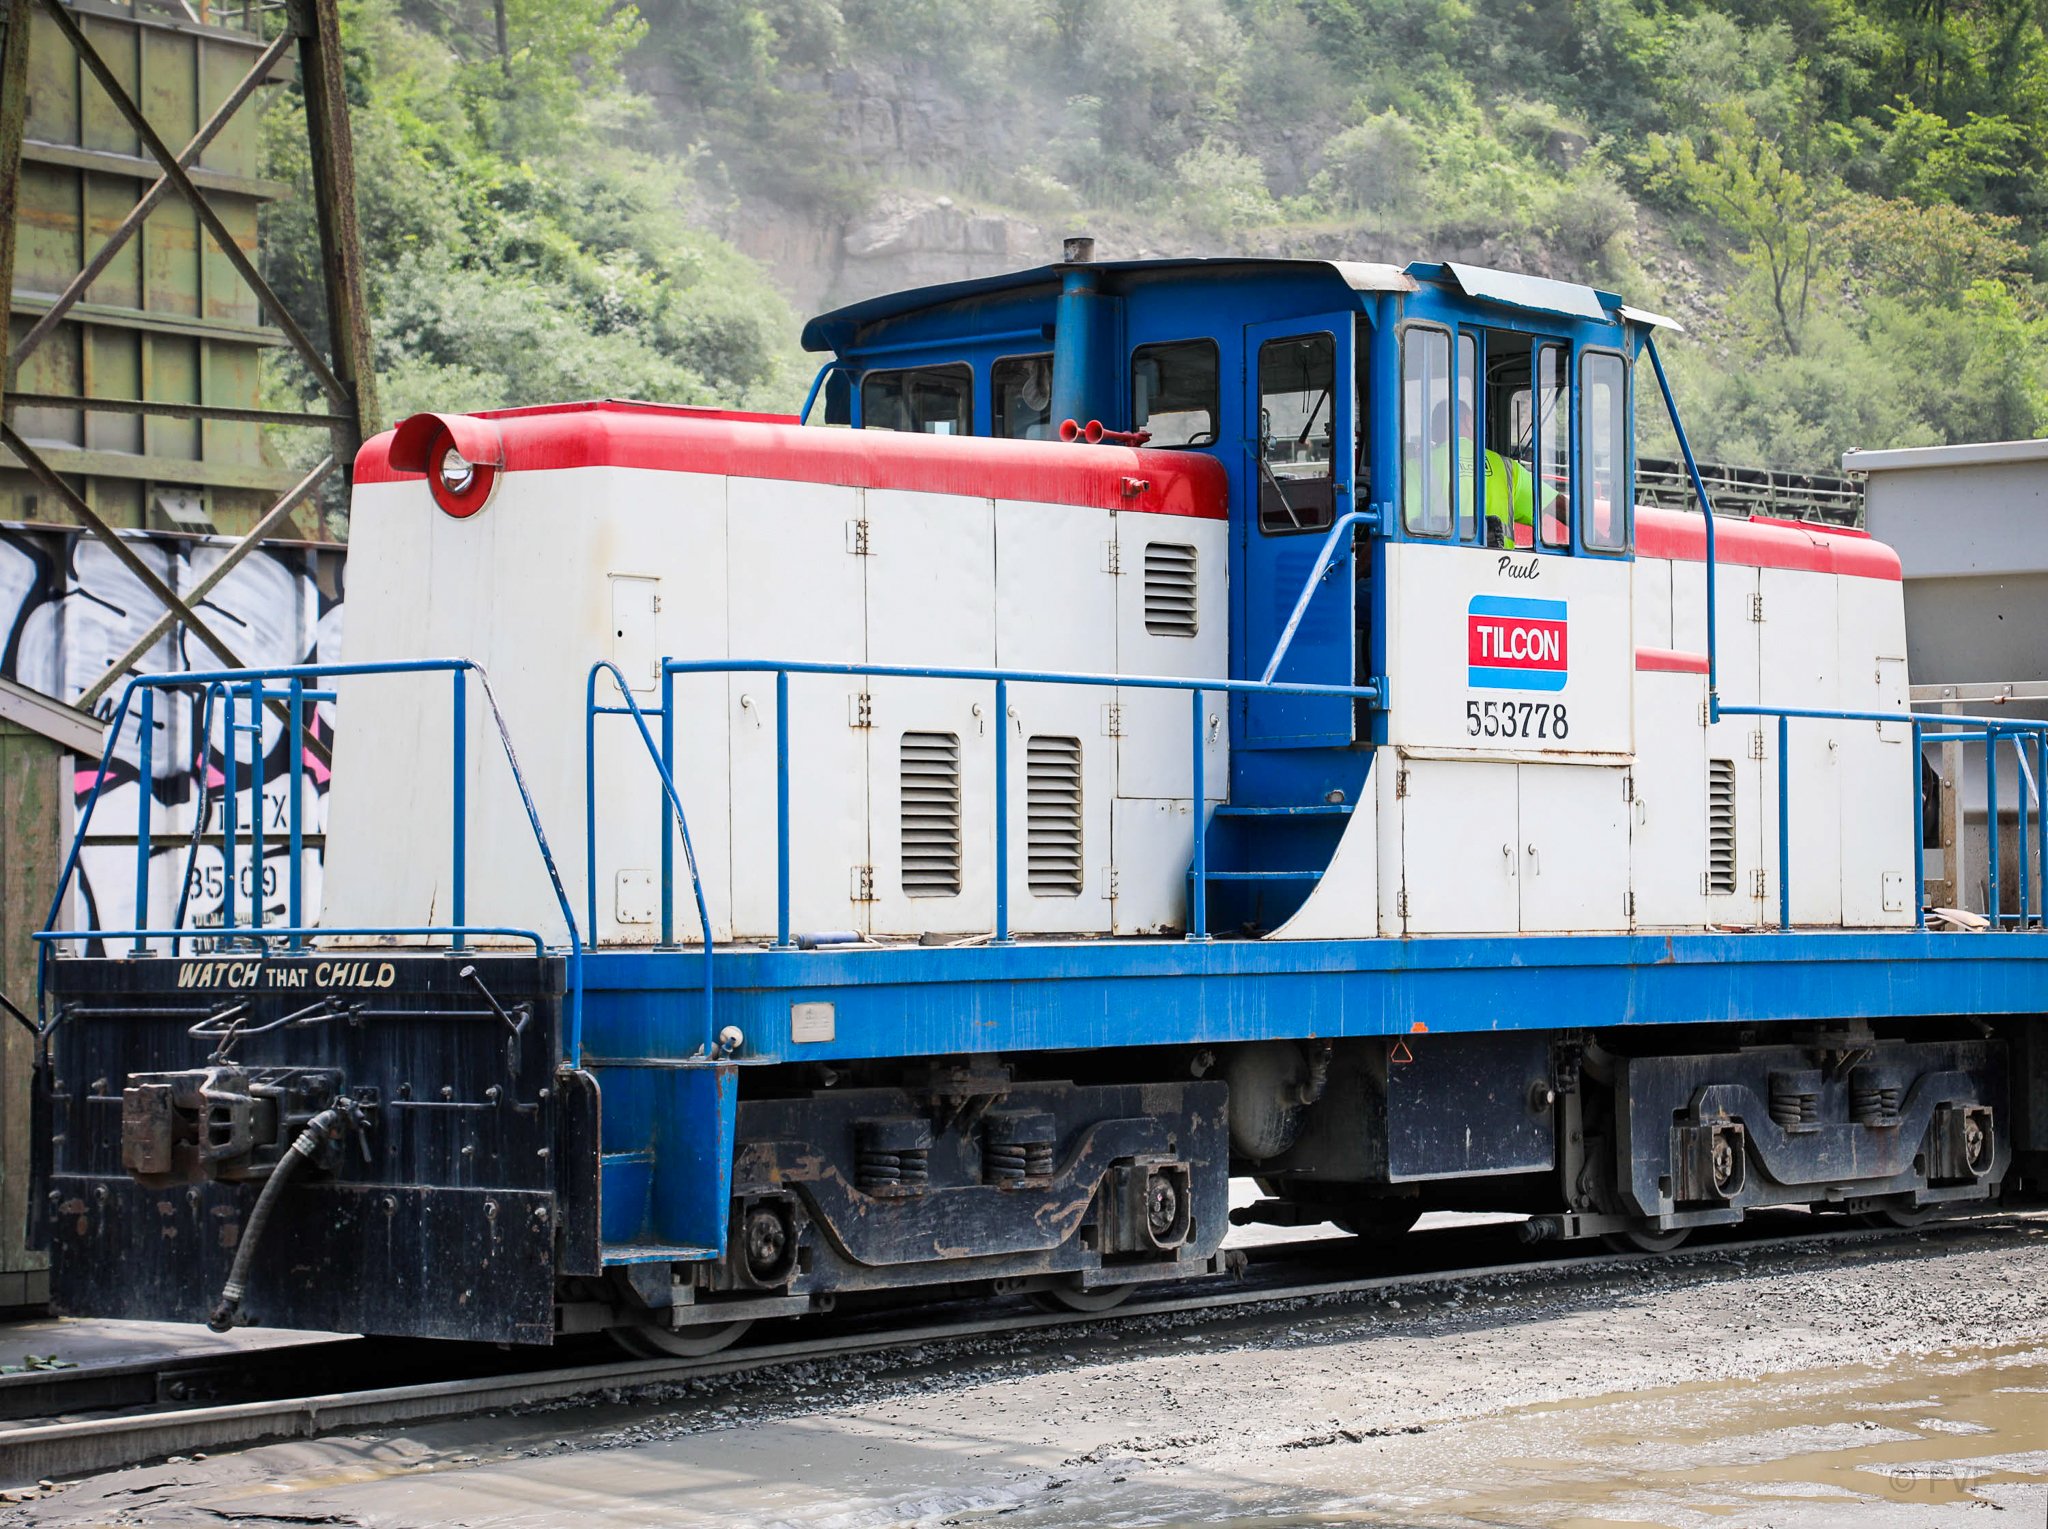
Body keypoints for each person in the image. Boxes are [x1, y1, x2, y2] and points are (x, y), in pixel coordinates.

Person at [1406, 399, 1533, 546]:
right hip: (1499, 566)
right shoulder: (1507, 467)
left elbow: (1405, 526)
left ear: (1433, 432)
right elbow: (1555, 508)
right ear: (1468, 421)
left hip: (1441, 564)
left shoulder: (1416, 467)